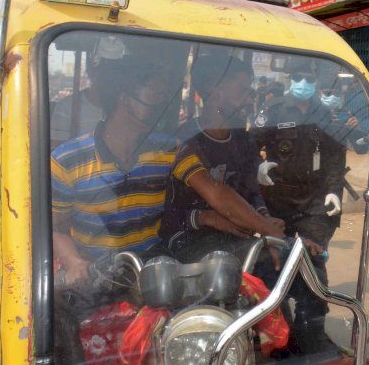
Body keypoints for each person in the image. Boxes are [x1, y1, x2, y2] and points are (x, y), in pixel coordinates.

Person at [51, 58, 178, 363]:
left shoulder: (169, 150)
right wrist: (72, 262)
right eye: (154, 97)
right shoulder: (67, 160)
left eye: (165, 98)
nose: (161, 106)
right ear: (124, 99)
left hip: (149, 268)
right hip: (95, 270)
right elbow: (55, 226)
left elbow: (208, 186)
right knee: (52, 315)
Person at [252, 57, 346, 355]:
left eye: (308, 78)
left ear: (316, 81)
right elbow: (248, 145)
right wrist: (258, 167)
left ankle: (312, 330)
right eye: (298, 78)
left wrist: (334, 191)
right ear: (291, 80)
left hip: (315, 201)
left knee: (313, 262)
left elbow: (335, 154)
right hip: (278, 199)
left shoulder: (325, 113)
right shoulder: (275, 109)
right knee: (275, 263)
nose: (303, 84)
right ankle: (281, 332)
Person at [160, 55, 291, 263]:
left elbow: (251, 191)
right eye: (242, 91)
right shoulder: (184, 141)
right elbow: (167, 214)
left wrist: (265, 219)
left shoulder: (243, 139)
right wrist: (208, 218)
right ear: (216, 95)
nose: (249, 100)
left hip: (231, 242)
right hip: (186, 247)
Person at [50, 35, 125, 148]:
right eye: (104, 72)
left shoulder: (127, 107)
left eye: (115, 73)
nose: (110, 78)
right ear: (91, 73)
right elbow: (57, 152)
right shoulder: (66, 107)